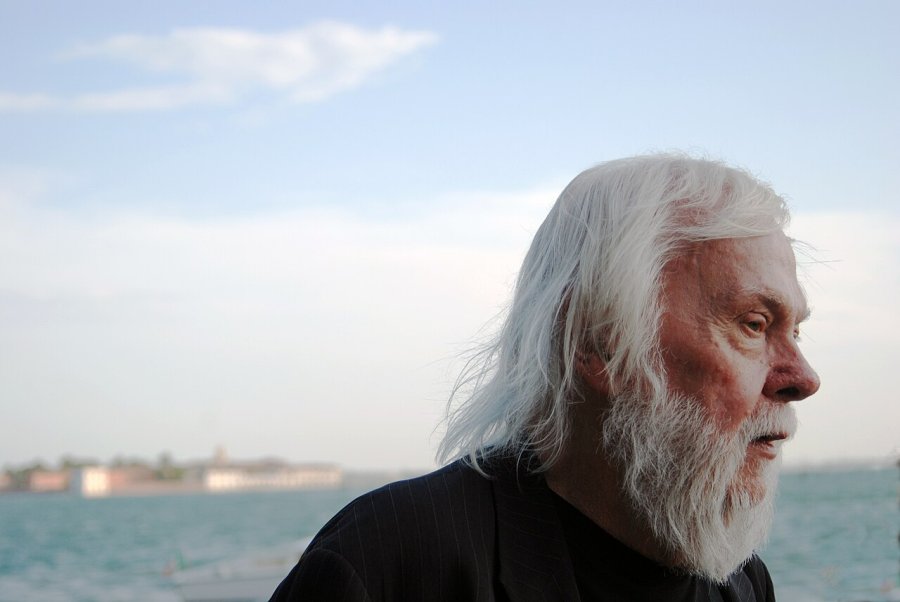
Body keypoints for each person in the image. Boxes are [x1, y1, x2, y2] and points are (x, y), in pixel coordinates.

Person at [270, 154, 820, 601]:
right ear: (598, 342)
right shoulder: (390, 565)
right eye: (754, 325)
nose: (803, 377)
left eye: (795, 332)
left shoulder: (743, 583)